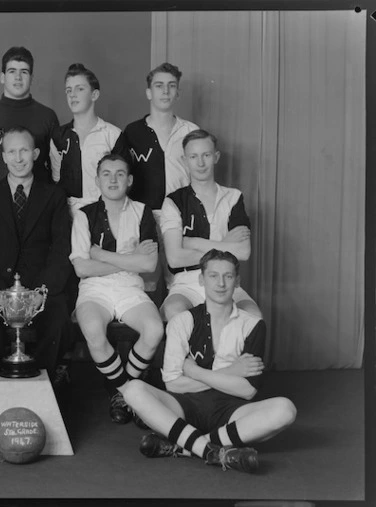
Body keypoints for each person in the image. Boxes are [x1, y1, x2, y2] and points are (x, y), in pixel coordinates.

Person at [123, 249, 296, 473]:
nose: (221, 283)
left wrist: (194, 372)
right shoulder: (182, 322)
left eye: (228, 276)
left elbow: (248, 390)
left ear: (237, 281)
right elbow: (173, 384)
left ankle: (183, 446)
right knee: (133, 390)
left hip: (232, 410)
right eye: (213, 276)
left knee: (285, 409)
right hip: (184, 405)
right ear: (201, 279)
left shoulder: (253, 325)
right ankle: (213, 451)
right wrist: (232, 372)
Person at [0, 126, 72, 384]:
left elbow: (61, 249)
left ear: (36, 153)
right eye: (11, 151)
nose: (18, 157)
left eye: (24, 150)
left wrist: (41, 292)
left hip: (40, 287)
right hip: (0, 286)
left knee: (57, 318)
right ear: (3, 157)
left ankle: (45, 383)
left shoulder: (54, 196)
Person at [70, 154, 164, 424]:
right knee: (93, 332)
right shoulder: (84, 215)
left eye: (120, 173)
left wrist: (101, 254)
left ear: (130, 180)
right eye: (107, 174)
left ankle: (122, 390)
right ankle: (126, 392)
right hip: (94, 289)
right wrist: (128, 258)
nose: (113, 179)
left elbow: (148, 263)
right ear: (98, 180)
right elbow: (82, 269)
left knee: (155, 330)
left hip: (130, 288)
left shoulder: (142, 212)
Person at [159, 129, 262, 322]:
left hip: (226, 280)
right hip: (187, 283)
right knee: (175, 310)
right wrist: (224, 246)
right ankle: (189, 354)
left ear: (216, 157)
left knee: (253, 316)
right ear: (184, 160)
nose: (200, 163)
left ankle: (231, 354)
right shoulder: (174, 201)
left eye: (206, 155)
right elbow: (174, 258)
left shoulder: (233, 197)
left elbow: (243, 252)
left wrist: (192, 242)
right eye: (193, 156)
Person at [113, 62, 199, 215]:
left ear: (178, 93)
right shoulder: (132, 132)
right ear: (149, 93)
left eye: (171, 86)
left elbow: (200, 178)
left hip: (181, 214)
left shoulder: (191, 132)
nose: (165, 91)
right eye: (159, 85)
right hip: (141, 216)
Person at [0, 47, 59, 184]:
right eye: (12, 71)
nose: (18, 77)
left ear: (31, 78)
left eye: (24, 72)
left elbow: (55, 167)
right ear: (2, 77)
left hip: (39, 200)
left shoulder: (47, 117)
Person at [51, 63, 122, 212]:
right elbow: (56, 179)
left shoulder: (113, 135)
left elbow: (121, 181)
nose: (72, 94)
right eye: (68, 90)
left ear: (94, 95)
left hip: (104, 214)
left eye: (80, 89)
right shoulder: (58, 136)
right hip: (68, 216)